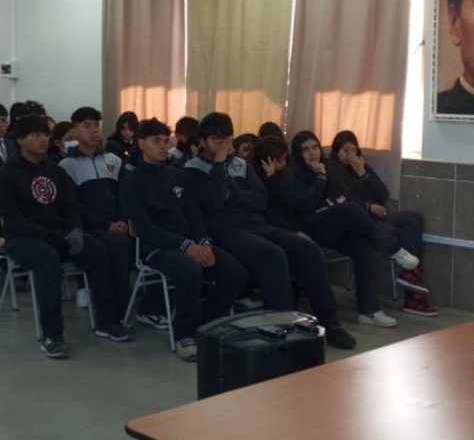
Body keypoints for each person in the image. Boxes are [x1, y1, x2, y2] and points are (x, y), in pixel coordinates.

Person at [184, 113, 356, 349]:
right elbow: (214, 201)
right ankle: (285, 333)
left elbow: (260, 199)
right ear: (202, 142)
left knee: (307, 249)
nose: (224, 144)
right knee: (272, 256)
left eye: (227, 138)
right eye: (216, 139)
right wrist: (218, 165)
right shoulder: (193, 169)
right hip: (224, 232)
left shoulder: (241, 165)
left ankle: (331, 322)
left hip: (257, 225)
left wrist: (232, 194)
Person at [0, 115, 132, 359]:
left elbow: (70, 206)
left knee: (98, 251)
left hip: (58, 233)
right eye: (35, 135)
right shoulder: (8, 173)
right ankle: (53, 335)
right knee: (48, 260)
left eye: (45, 134)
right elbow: (14, 220)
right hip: (23, 238)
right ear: (19, 140)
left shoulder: (54, 169)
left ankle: (107, 321)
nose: (43, 139)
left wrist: (75, 229)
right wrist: (50, 235)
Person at [121, 118, 248, 362]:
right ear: (140, 143)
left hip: (190, 242)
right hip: (156, 248)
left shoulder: (179, 176)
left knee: (236, 272)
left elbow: (194, 214)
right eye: (155, 141)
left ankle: (207, 326)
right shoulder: (132, 182)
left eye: (164, 140)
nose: (162, 146)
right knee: (189, 269)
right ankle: (185, 335)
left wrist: (204, 241)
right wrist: (186, 246)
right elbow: (146, 229)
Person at [291, 130, 419, 328]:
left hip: (337, 225)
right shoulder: (295, 174)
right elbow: (305, 205)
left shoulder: (327, 169)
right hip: (312, 227)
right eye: (305, 150)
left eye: (315, 147)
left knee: (363, 247)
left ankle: (369, 311)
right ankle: (392, 247)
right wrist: (319, 178)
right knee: (349, 209)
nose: (312, 153)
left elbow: (346, 197)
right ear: (298, 153)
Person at [330, 130, 437, 317]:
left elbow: (383, 195)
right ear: (336, 150)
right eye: (346, 150)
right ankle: (414, 297)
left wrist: (362, 173)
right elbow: (341, 200)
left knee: (413, 219)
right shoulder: (331, 169)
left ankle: (409, 274)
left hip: (378, 216)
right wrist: (368, 207)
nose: (350, 155)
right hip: (358, 220)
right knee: (392, 231)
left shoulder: (361, 166)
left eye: (354, 150)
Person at [59, 107, 134, 333]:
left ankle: (125, 311)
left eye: (96, 125)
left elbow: (124, 194)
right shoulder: (66, 166)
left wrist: (122, 220)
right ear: (75, 131)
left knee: (127, 245)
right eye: (87, 126)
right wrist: (106, 225)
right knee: (112, 249)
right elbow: (71, 206)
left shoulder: (113, 160)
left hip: (117, 225)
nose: (93, 131)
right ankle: (108, 318)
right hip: (89, 228)